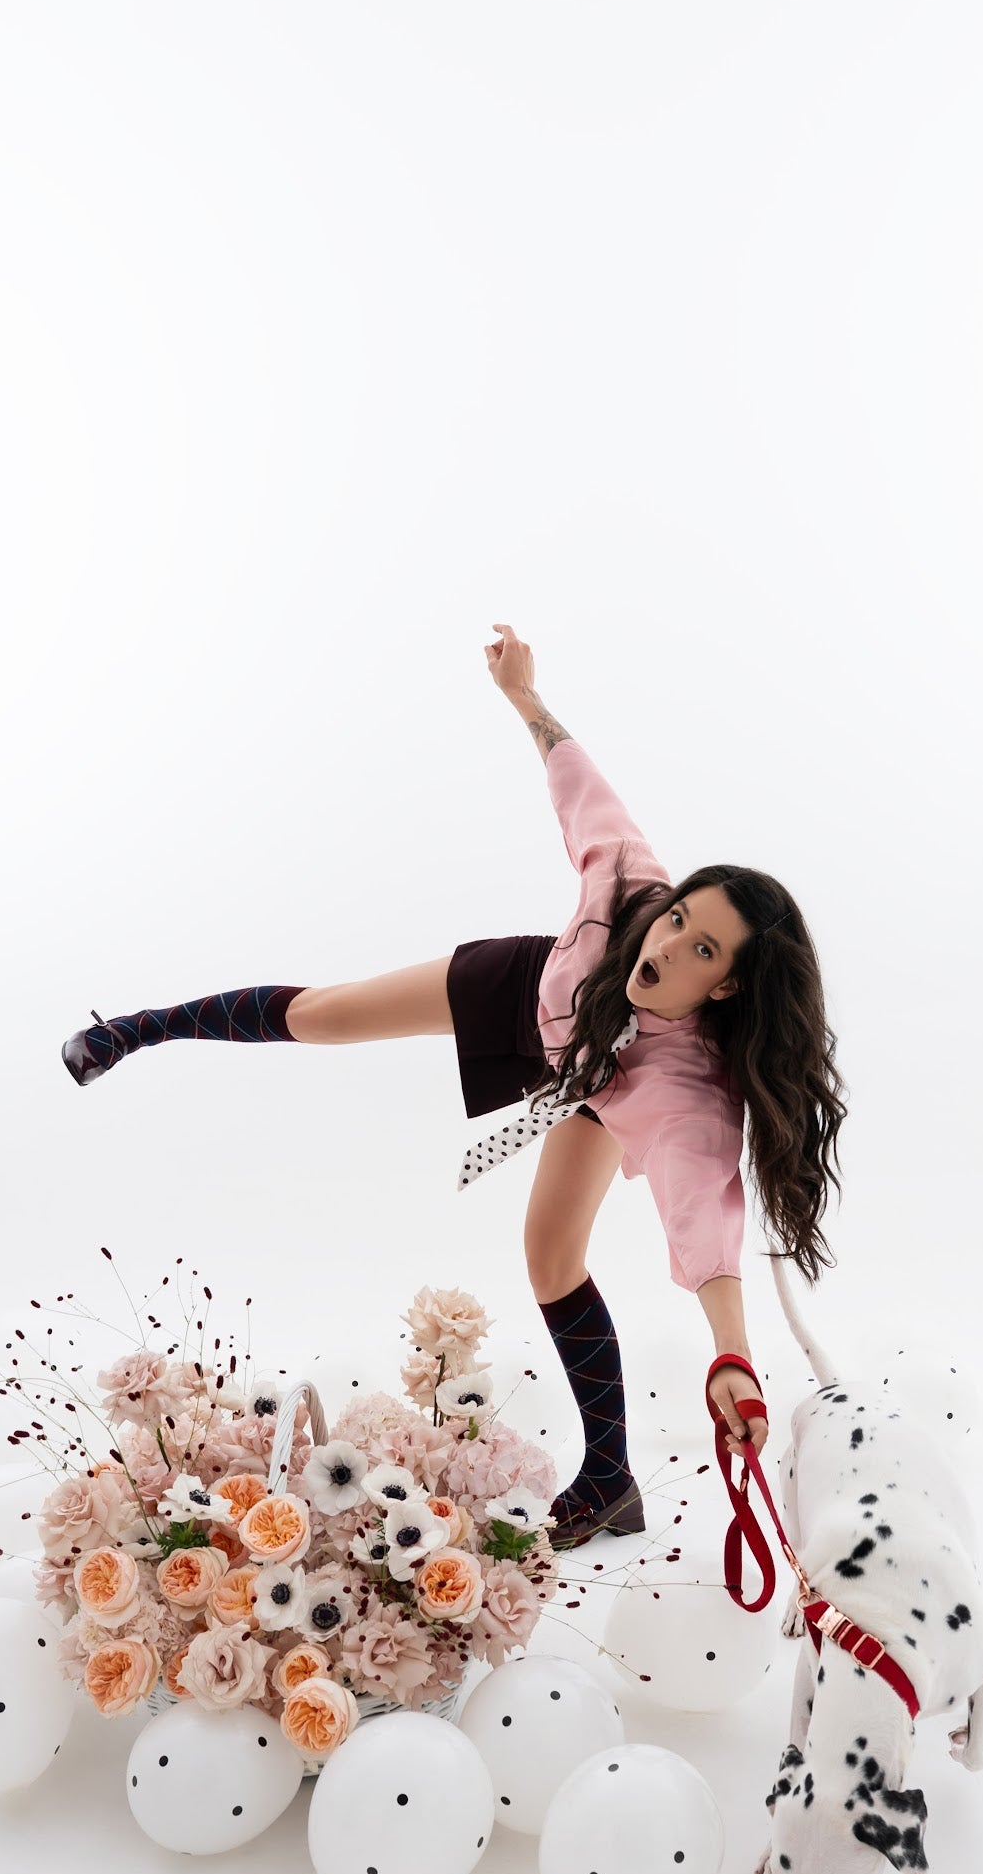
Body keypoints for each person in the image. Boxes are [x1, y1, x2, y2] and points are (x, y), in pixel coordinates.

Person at [60, 624, 848, 1553]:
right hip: (530, 991)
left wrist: (732, 1357)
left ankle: (609, 1482)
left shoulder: (685, 1093)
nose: (668, 944)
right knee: (326, 1014)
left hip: (608, 1083)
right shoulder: (627, 888)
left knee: (550, 1259)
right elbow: (581, 788)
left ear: (725, 987)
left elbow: (703, 1214)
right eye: (679, 920)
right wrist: (525, 696)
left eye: (702, 949)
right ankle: (133, 1029)